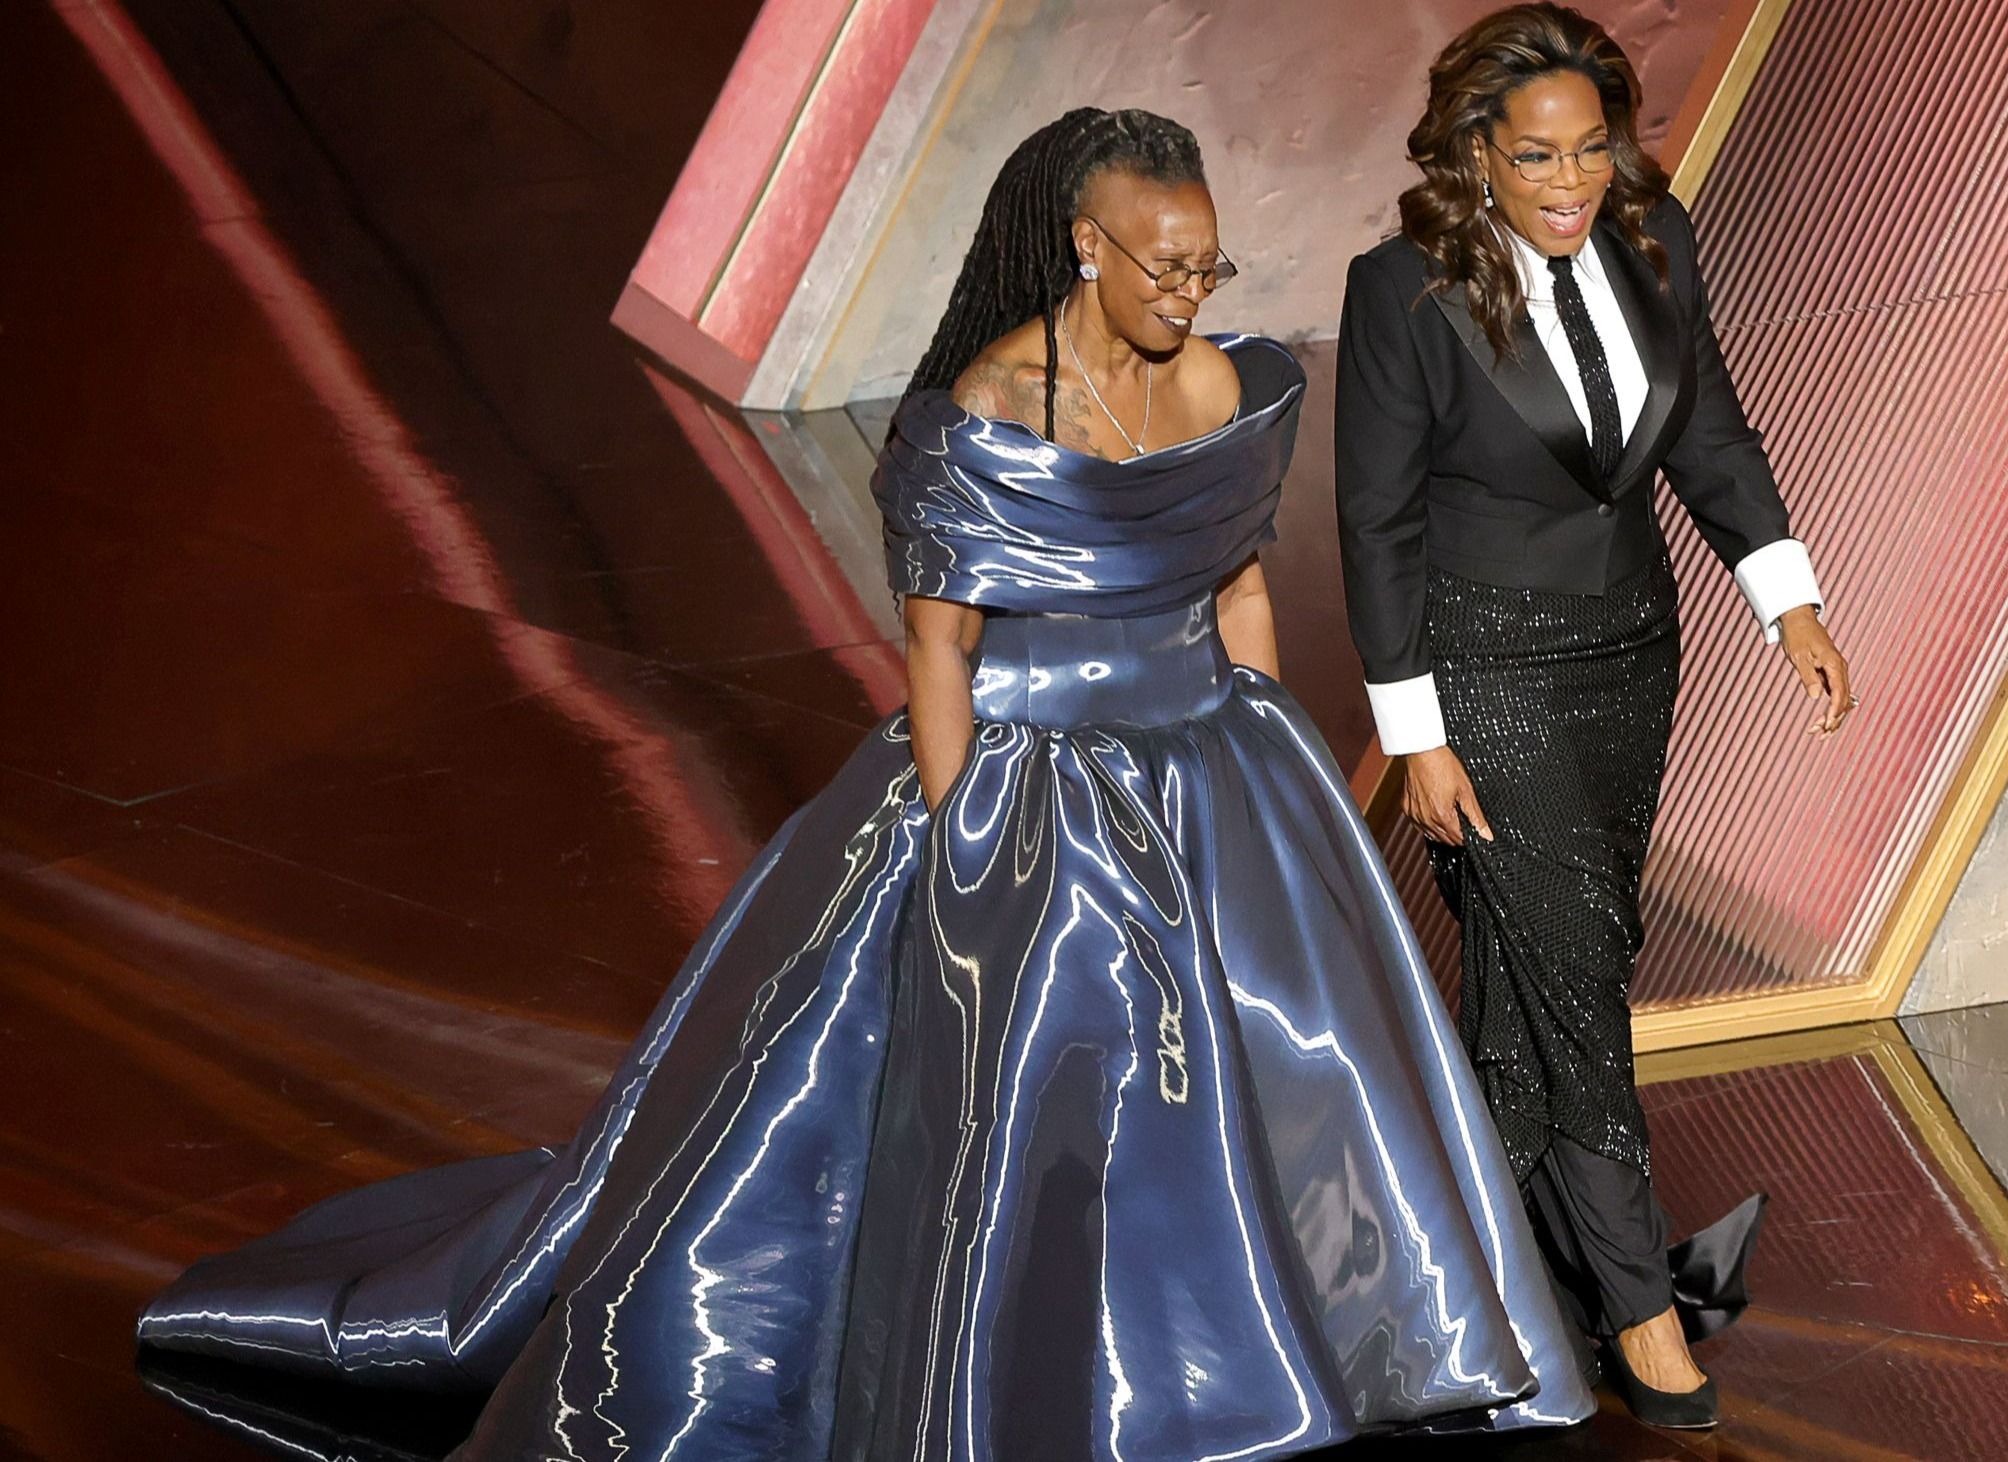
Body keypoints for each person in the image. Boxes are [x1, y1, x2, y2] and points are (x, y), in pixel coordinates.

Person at [137, 106, 1594, 1460]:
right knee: (1041, 1088)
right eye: (1165, 265)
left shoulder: (1218, 382)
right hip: (1029, 779)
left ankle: (1305, 1350)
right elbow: (941, 651)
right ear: (1087, 245)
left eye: (1207, 263)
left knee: (1294, 1072)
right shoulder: (993, 406)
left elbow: (1240, 590)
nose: (1190, 291)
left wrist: (1270, 756)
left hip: (1209, 757)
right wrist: (966, 842)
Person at [1334, 4, 1856, 1431]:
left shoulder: (1653, 237)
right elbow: (1375, 523)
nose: (1571, 182)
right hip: (1483, 667)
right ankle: (1635, 1308)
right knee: (1573, 982)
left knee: (1554, 965)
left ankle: (1467, 1260)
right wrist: (1415, 731)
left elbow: (1710, 429)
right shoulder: (1405, 290)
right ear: (1478, 154)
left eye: (1592, 149)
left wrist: (1788, 599)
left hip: (1630, 652)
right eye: (1538, 157)